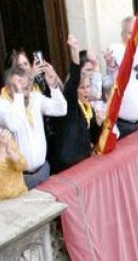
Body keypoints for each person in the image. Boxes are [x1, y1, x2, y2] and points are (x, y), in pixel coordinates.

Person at [0, 62, 66, 188]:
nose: (23, 86)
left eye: (24, 83)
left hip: (43, 170)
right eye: (18, 83)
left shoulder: (34, 97)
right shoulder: (0, 105)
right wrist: (18, 94)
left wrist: (53, 85)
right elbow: (14, 124)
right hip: (21, 177)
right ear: (8, 86)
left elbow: (61, 109)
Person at [48, 34, 103, 173]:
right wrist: (75, 53)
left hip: (84, 165)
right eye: (82, 88)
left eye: (87, 87)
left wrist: (99, 124)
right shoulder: (70, 106)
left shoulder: (88, 107)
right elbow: (73, 81)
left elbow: (95, 138)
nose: (86, 91)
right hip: (67, 168)